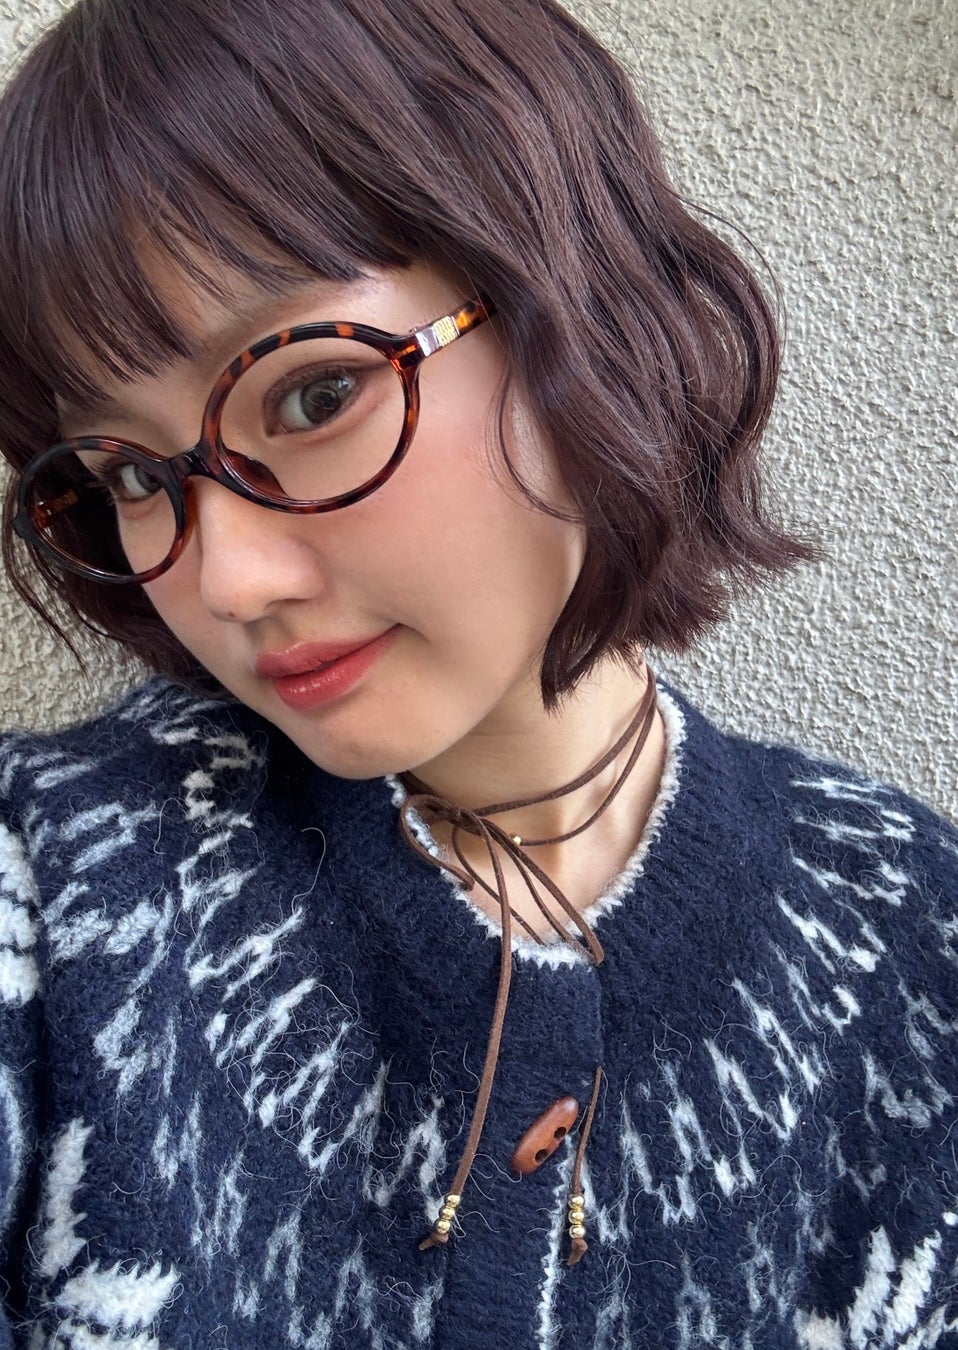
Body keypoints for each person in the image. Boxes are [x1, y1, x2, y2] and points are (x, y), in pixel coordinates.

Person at [0, 0, 955, 1346]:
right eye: (135, 477)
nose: (226, 581)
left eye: (314, 394)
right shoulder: (55, 884)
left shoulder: (911, 943)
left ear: (579, 304)